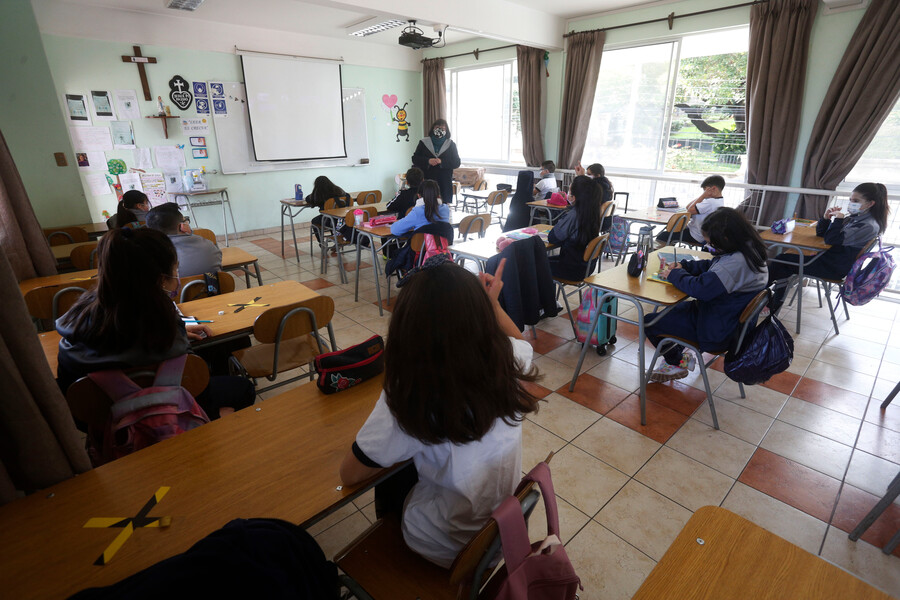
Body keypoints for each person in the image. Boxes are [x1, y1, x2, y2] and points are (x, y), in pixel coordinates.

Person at [338, 256, 540, 568]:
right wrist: (494, 306)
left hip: (443, 546)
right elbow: (519, 341)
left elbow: (349, 475)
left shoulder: (412, 394)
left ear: (408, 331)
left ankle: (393, 553)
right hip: (499, 538)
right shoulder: (507, 360)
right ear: (481, 317)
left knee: (390, 474)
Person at [56, 227, 255, 419]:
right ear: (161, 278)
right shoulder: (163, 322)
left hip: (103, 421)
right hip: (170, 409)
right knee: (242, 387)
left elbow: (73, 401)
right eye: (176, 267)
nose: (178, 274)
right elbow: (193, 388)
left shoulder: (75, 321)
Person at [645, 207, 768, 382]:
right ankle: (680, 354)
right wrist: (686, 266)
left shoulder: (734, 264)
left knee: (650, 322)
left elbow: (700, 289)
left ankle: (677, 361)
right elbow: (713, 267)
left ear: (726, 239)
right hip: (726, 320)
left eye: (712, 243)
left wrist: (673, 275)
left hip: (715, 329)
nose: (708, 246)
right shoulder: (748, 249)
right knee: (671, 312)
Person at [767, 182, 889, 310]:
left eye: (856, 200)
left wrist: (838, 220)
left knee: (780, 261)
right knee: (783, 263)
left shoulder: (867, 225)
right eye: (850, 200)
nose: (851, 203)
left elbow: (831, 239)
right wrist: (826, 218)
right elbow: (822, 235)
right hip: (830, 260)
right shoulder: (857, 218)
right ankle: (772, 304)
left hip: (833, 267)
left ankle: (763, 300)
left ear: (870, 203)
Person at [547, 175, 602, 281]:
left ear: (574, 197)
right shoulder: (593, 211)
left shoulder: (575, 214)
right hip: (586, 267)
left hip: (572, 269)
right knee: (542, 261)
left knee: (534, 264)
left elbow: (552, 237)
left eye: (570, 191)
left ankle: (545, 297)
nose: (568, 194)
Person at [146, 202, 222, 277]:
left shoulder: (150, 253)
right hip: (215, 287)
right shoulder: (208, 244)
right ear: (181, 226)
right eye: (185, 220)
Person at [657, 175, 725, 247]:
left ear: (713, 188)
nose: (704, 192)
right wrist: (703, 196)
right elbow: (688, 207)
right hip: (696, 231)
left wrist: (703, 196)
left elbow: (689, 210)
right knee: (671, 232)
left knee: (663, 236)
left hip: (696, 235)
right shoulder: (718, 201)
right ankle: (669, 251)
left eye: (705, 190)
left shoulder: (710, 202)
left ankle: (663, 255)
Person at [412, 119, 461, 208]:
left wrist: (442, 162)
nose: (440, 130)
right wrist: (428, 161)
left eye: (443, 128)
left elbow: (457, 162)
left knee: (443, 210)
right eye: (437, 127)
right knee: (426, 208)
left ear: (446, 130)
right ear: (433, 129)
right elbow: (415, 159)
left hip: (444, 182)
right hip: (427, 181)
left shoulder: (451, 144)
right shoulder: (423, 143)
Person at [307, 175, 351, 243]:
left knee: (314, 221)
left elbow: (309, 199)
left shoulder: (319, 194)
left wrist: (313, 193)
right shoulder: (338, 190)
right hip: (342, 219)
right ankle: (337, 238)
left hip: (329, 220)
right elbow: (347, 195)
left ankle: (321, 242)